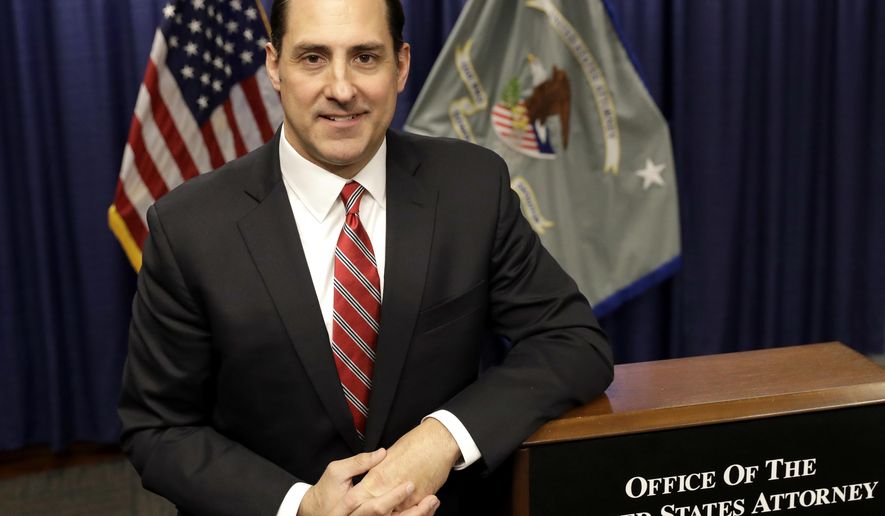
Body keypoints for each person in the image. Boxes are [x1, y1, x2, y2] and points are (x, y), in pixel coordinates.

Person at [118, 0, 613, 514]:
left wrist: (442, 439)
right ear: (273, 66)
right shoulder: (188, 228)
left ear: (400, 66)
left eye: (365, 57)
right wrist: (299, 507)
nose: (341, 88)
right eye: (312, 58)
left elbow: (571, 340)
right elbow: (159, 428)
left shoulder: (472, 187)